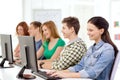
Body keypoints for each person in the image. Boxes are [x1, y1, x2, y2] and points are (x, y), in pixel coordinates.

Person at [48, 16, 118, 80]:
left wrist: (66, 75)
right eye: (87, 30)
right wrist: (59, 72)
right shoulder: (91, 48)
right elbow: (79, 66)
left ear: (101, 31)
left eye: (91, 30)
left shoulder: (108, 49)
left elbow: (93, 73)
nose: (88, 33)